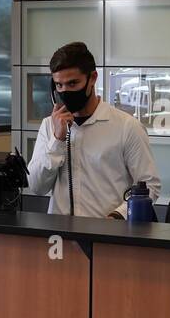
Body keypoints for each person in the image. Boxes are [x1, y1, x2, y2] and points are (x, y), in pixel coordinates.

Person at [26, 41, 161, 219]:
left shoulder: (127, 127)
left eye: (73, 83)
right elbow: (36, 186)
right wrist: (57, 140)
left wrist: (119, 216)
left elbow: (149, 186)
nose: (65, 91)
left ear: (92, 78)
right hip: (60, 236)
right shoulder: (48, 126)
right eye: (59, 85)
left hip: (108, 233)